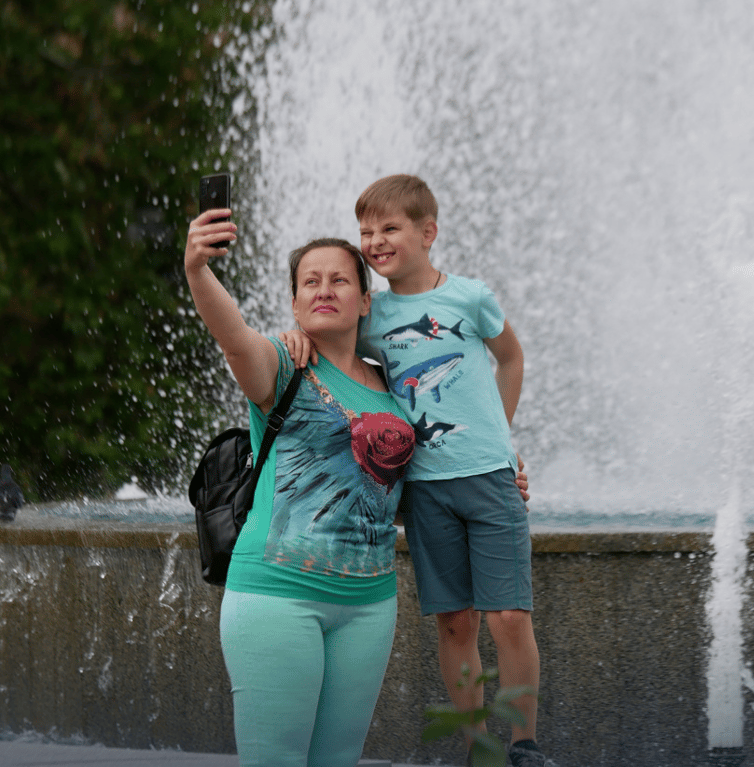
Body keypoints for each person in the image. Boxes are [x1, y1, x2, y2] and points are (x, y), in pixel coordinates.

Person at [283, 174, 547, 767]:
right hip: (424, 490)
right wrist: (294, 334)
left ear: (427, 233)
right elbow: (329, 335)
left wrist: (501, 439)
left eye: (389, 228)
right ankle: (478, 747)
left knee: (508, 615)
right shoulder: (372, 317)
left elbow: (511, 356)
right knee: (455, 621)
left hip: (488, 478)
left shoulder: (469, 297)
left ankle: (524, 743)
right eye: (366, 232)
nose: (375, 241)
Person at [184, 208, 416, 767]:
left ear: (366, 300)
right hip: (276, 595)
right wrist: (197, 270)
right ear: (294, 302)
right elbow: (231, 334)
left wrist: (504, 476)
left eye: (339, 279)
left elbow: (402, 492)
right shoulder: (281, 365)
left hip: (369, 604)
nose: (324, 289)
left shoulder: (395, 387)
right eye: (310, 281)